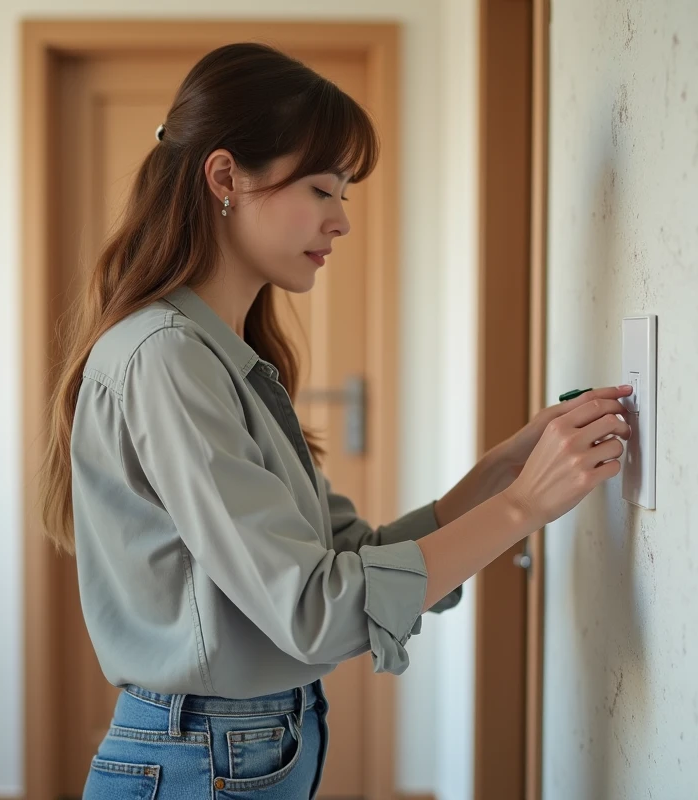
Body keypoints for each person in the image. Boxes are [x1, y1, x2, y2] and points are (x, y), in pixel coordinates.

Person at [38, 41, 632, 800]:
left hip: (239, 746)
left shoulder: (223, 358)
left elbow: (349, 556)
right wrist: (522, 508)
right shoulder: (167, 358)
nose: (342, 220)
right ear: (226, 177)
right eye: (322, 188)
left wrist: (504, 471)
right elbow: (313, 612)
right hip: (202, 757)